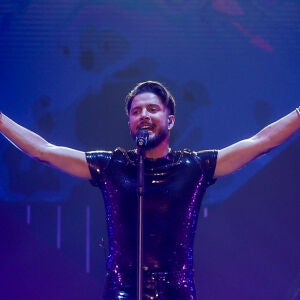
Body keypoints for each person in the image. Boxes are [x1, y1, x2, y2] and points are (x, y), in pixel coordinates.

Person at [0, 80, 299, 299]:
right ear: (129, 122)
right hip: (122, 292)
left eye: (152, 109)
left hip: (177, 292)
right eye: (136, 110)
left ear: (170, 120)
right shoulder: (112, 166)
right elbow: (42, 151)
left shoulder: (194, 167)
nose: (143, 114)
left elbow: (262, 142)